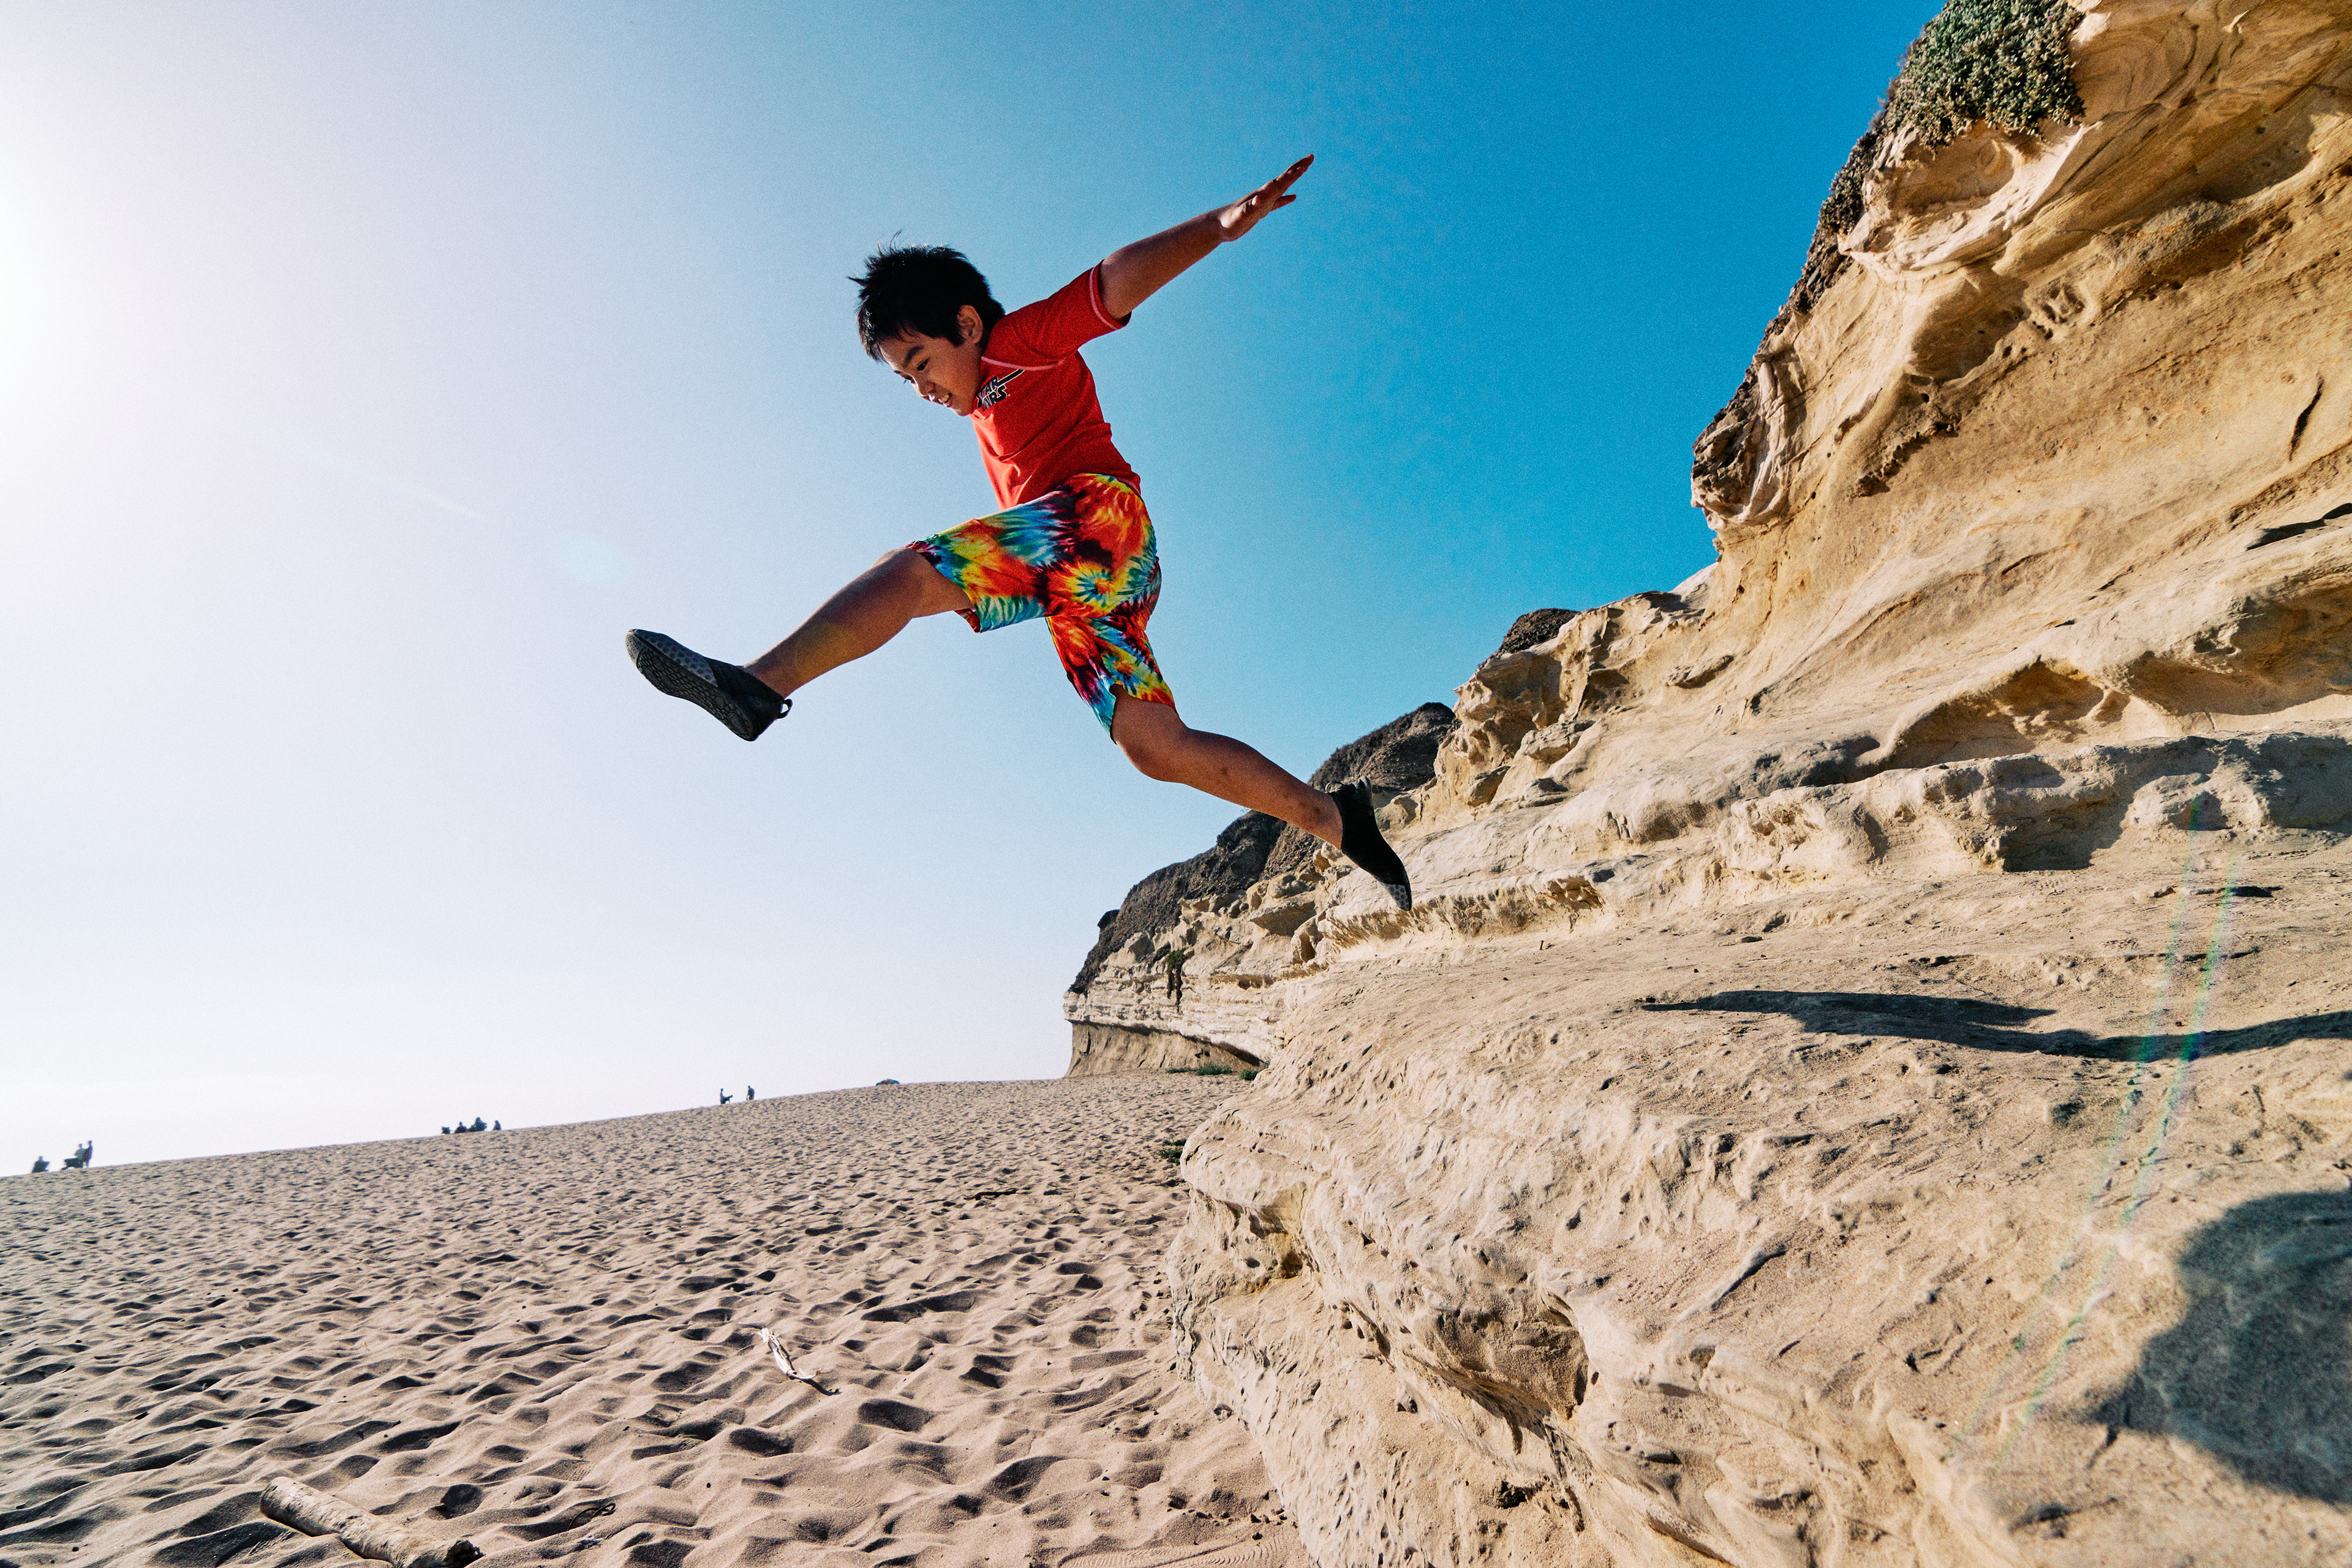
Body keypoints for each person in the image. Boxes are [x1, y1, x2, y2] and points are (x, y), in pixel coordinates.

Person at [625, 156, 1411, 909]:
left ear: (967, 324)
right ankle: (1337, 820)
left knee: (906, 573)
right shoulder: (985, 404)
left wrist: (1221, 225)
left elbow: (1110, 284)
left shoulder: (1015, 344)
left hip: (1101, 526)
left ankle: (758, 686)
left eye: (923, 362)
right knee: (1152, 744)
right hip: (1092, 581)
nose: (924, 389)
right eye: (908, 379)